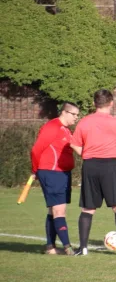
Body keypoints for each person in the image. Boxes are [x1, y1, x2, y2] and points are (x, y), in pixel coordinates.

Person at [70, 89, 116, 255]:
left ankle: (82, 248)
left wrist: (87, 153)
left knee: (88, 208)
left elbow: (74, 144)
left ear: (94, 104)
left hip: (90, 165)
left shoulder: (84, 122)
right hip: (111, 165)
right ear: (111, 103)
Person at [30, 102, 80, 255]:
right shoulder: (52, 127)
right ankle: (68, 248)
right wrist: (35, 170)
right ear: (65, 112)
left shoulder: (65, 130)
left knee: (53, 210)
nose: (76, 118)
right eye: (74, 115)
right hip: (52, 173)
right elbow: (36, 149)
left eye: (78, 115)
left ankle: (50, 247)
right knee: (59, 210)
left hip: (62, 173)